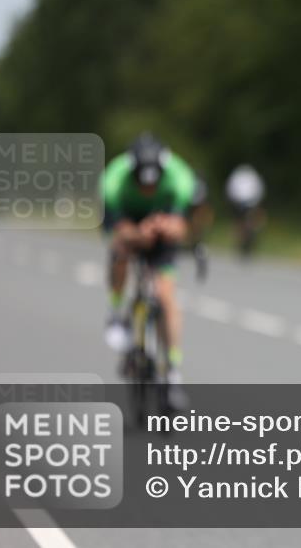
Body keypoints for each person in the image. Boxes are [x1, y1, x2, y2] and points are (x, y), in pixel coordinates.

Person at [101, 133, 196, 410]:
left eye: (153, 184)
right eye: (142, 184)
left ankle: (173, 371)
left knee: (166, 296)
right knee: (120, 253)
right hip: (129, 222)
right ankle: (116, 312)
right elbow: (116, 229)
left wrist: (167, 227)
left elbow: (182, 227)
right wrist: (137, 235)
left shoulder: (180, 178)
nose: (148, 189)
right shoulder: (113, 180)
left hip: (162, 226)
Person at [225, 163, 266, 259]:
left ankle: (245, 240)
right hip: (244, 202)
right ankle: (240, 241)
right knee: (242, 223)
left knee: (246, 222)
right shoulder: (250, 176)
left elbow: (230, 189)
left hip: (245, 202)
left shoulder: (242, 175)